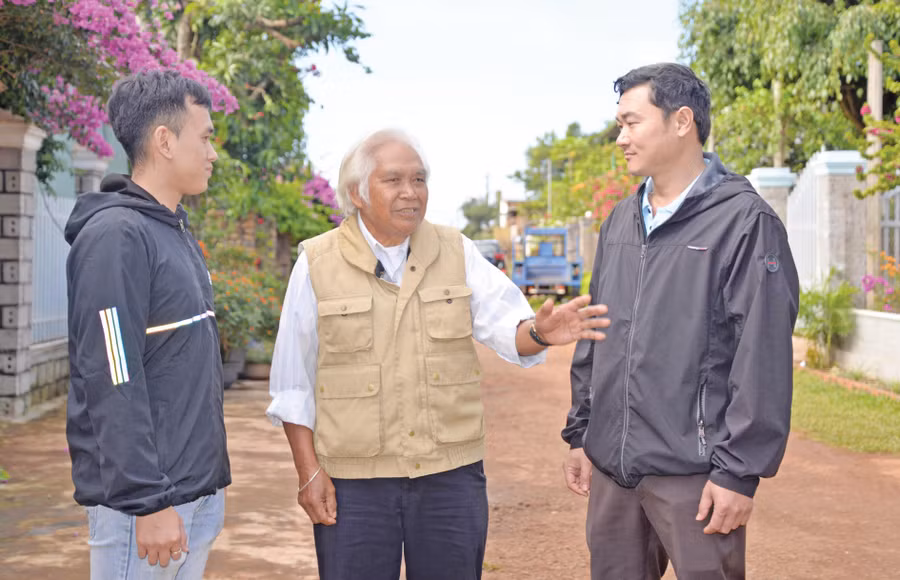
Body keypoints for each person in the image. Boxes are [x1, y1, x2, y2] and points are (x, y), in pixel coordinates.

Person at [267, 129, 610, 580]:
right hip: (355, 482)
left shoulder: (456, 251)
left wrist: (541, 333)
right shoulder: (316, 263)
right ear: (357, 193)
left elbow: (509, 329)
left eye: (419, 179)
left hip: (450, 476)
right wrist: (309, 473)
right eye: (394, 180)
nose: (411, 192)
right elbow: (293, 384)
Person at [561, 63, 800, 580]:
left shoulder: (744, 222)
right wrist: (582, 433)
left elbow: (762, 356)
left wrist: (738, 475)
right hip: (613, 471)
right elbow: (595, 335)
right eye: (619, 125)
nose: (620, 137)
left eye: (631, 122)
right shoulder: (620, 220)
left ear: (681, 121)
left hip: (696, 477)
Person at [65, 70, 231, 579]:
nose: (213, 153)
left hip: (192, 494)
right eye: (204, 137)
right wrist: (146, 501)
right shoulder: (117, 236)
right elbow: (112, 374)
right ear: (164, 140)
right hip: (146, 509)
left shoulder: (171, 229)